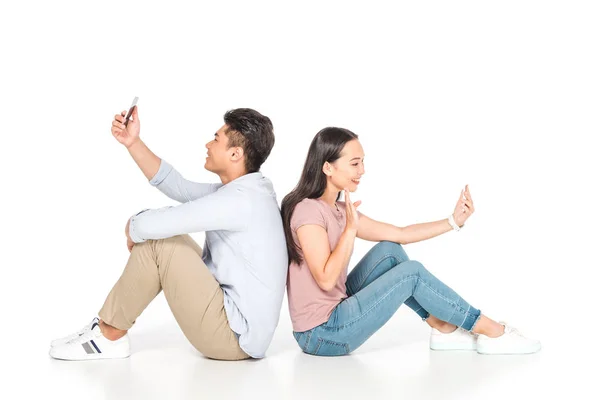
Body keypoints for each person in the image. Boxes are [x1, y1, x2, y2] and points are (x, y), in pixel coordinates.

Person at [49, 106, 288, 361]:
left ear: (235, 153)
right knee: (162, 238)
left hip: (233, 339)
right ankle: (107, 330)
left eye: (216, 139)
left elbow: (162, 223)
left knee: (158, 244)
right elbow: (180, 188)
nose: (208, 144)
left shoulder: (240, 201)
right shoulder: (247, 191)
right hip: (237, 325)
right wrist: (133, 142)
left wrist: (134, 226)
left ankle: (109, 336)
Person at [281, 127, 541, 356]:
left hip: (336, 314)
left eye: (363, 163)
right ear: (328, 167)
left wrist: (453, 221)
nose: (362, 171)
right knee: (411, 274)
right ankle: (490, 330)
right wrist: (350, 230)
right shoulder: (308, 211)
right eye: (355, 163)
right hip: (321, 334)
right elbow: (326, 279)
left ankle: (442, 328)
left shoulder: (339, 209)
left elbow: (401, 233)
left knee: (389, 251)